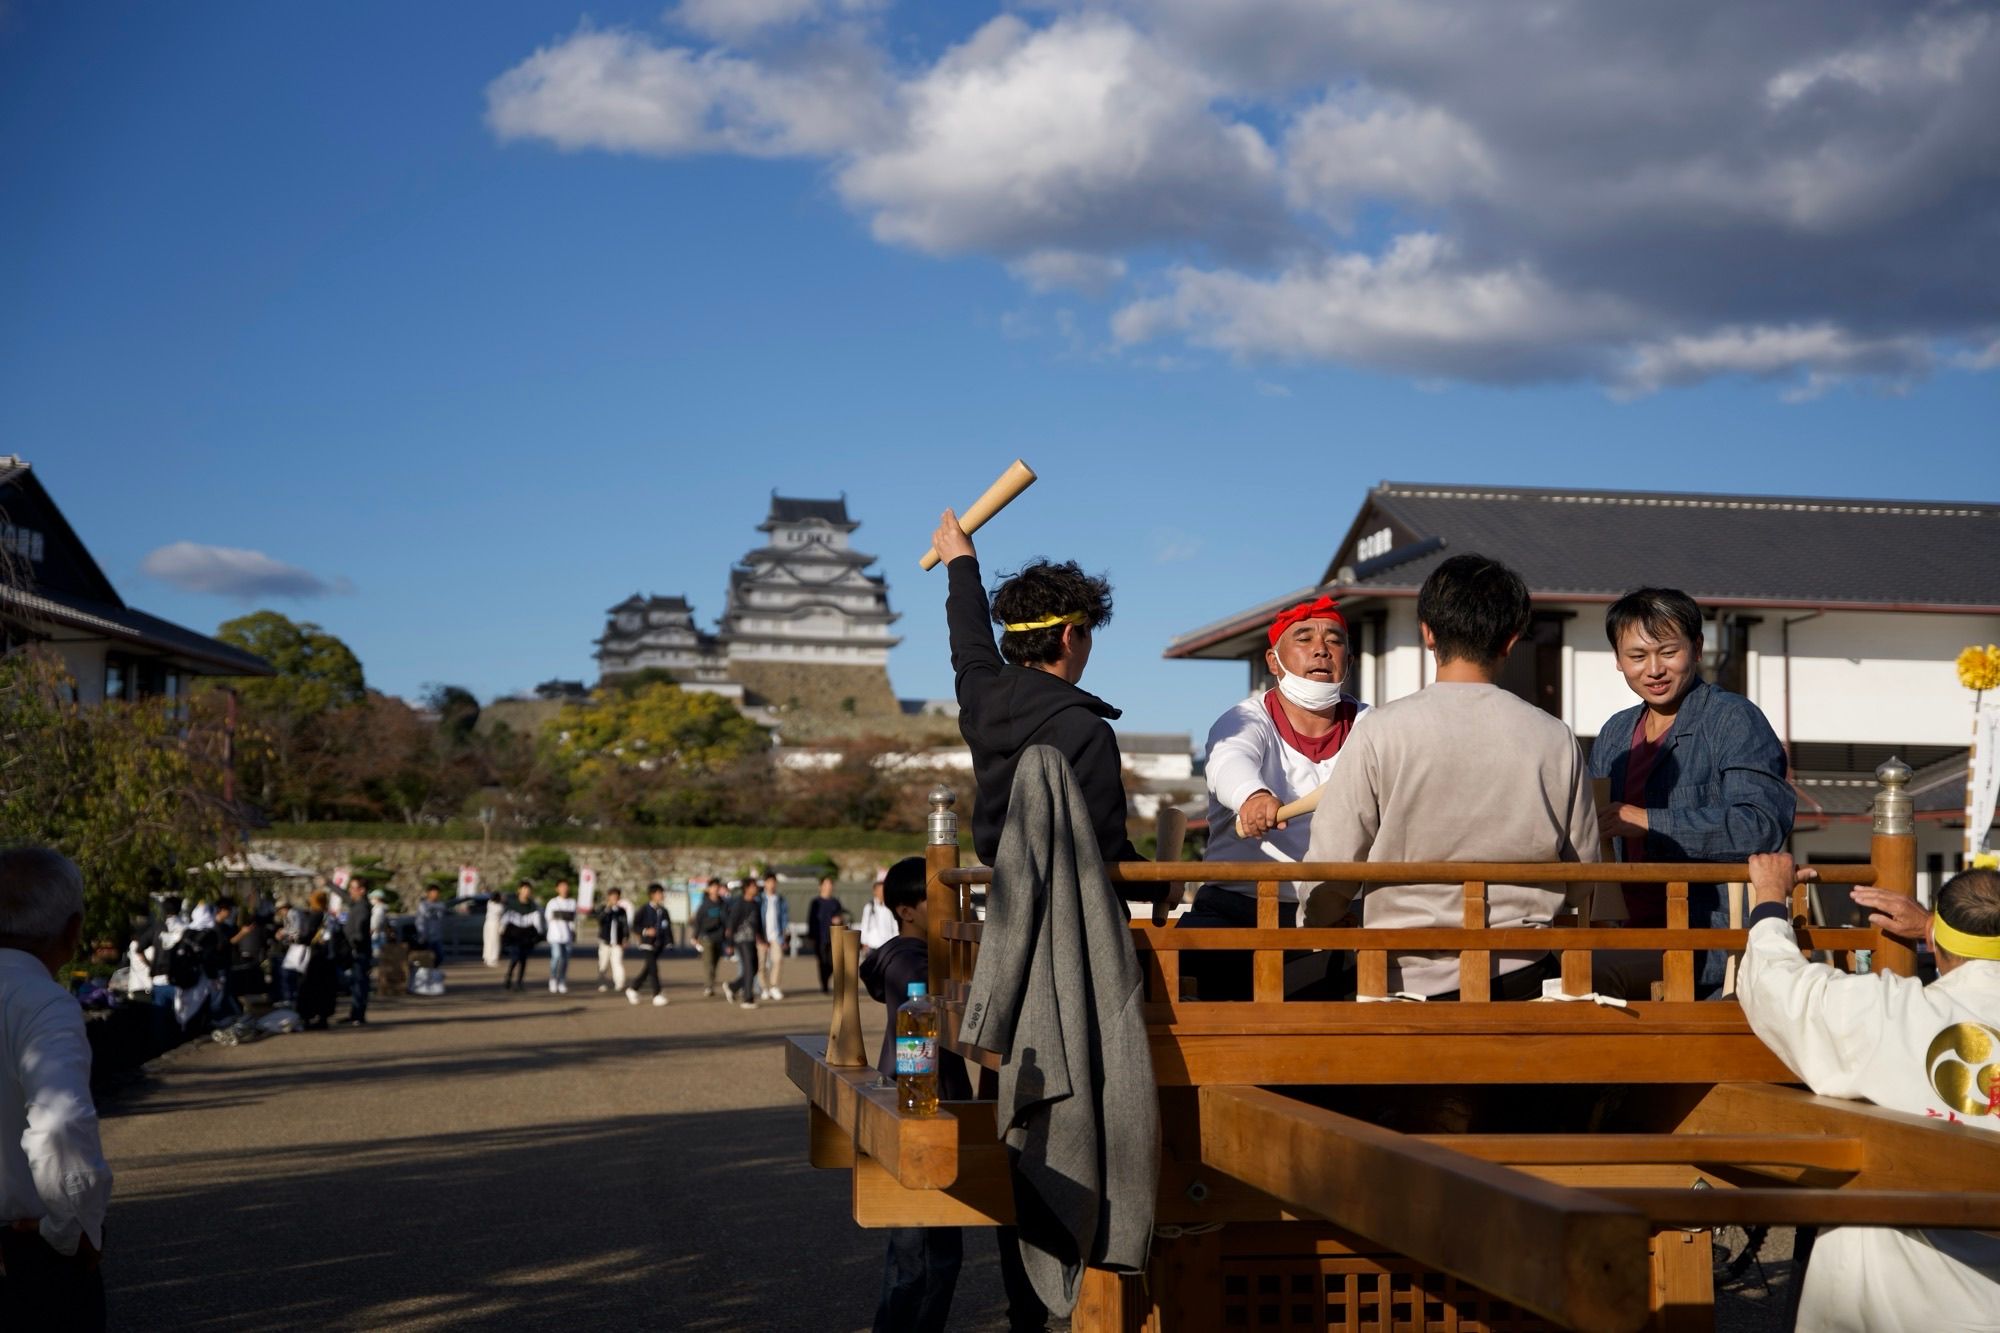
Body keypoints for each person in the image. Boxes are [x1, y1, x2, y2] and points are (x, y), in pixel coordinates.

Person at [1301, 554, 1599, 1000]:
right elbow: (1583, 874)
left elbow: (1332, 865)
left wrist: (1324, 917)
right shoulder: (1554, 737)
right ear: (1511, 640)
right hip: (1521, 971)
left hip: (1396, 973)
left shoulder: (1381, 731)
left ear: (1427, 633)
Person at [1739, 854, 2000, 1331]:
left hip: (1898, 1296)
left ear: (1934, 942)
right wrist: (1931, 927)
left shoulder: (1890, 1012)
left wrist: (1771, 901)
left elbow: (1780, 987)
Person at [1588, 587, 1793, 997]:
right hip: (1624, 930)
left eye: (1667, 652)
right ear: (1617, 660)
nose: (1654, 669)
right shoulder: (1614, 732)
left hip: (1710, 944)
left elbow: (1760, 825)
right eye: (1637, 656)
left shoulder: (1734, 719)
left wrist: (1648, 821)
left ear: (1697, 648)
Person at [1179, 595, 1367, 999]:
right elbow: (1230, 759)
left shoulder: (1374, 725)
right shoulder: (1245, 718)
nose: (1321, 649)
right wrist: (1253, 796)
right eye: (1304, 638)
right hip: (1236, 910)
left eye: (1334, 640)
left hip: (1342, 916)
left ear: (1348, 662)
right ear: (1272, 661)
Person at [931, 510, 1140, 869]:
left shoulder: (982, 698)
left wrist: (961, 563)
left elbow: (969, 642)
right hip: (1073, 918)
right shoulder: (1087, 732)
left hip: (1003, 909)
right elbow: (1105, 851)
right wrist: (1164, 882)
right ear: (1068, 636)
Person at [0, 848, 111, 1332]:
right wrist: (72, 1230)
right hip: (23, 1252)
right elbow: (59, 1122)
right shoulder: (42, 1002)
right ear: (73, 930)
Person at [860, 856, 971, 1332]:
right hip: (921, 1108)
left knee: (920, 1256)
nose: (950, 908)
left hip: (921, 1102)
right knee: (926, 1261)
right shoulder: (909, 957)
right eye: (937, 899)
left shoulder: (917, 952)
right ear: (907, 910)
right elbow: (922, 998)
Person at [296, 889, 341, 1030]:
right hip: (328, 957)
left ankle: (307, 1017)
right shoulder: (330, 916)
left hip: (315, 957)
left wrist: (297, 939)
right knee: (326, 989)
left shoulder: (315, 915)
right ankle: (323, 1017)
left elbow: (307, 935)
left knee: (310, 987)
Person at [625, 884, 671, 1007]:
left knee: (648, 969)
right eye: (659, 893)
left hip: (658, 945)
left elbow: (667, 928)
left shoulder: (663, 911)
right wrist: (646, 931)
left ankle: (633, 988)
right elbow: (635, 926)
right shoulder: (644, 909)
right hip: (646, 944)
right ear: (652, 895)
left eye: (662, 893)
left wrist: (669, 942)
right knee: (654, 969)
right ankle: (657, 994)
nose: (661, 895)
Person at [807, 875, 849, 994]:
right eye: (826, 884)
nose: (829, 887)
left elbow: (841, 917)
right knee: (822, 962)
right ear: (820, 886)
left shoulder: (835, 902)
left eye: (831, 884)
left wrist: (839, 920)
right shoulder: (815, 902)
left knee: (834, 963)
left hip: (834, 937)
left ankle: (828, 981)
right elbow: (811, 920)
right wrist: (811, 936)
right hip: (820, 937)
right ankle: (824, 985)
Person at [725, 880, 761, 1009]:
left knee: (755, 968)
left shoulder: (756, 904)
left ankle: (733, 986)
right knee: (749, 968)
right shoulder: (739, 904)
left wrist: (762, 938)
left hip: (752, 940)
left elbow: (759, 923)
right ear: (746, 888)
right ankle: (747, 998)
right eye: (753, 886)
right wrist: (729, 944)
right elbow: (731, 925)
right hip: (741, 940)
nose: (756, 888)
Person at [500, 883, 542, 992]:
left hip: (527, 934)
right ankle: (509, 975)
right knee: (515, 955)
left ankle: (519, 981)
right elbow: (504, 920)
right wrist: (501, 932)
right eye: (524, 889)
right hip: (514, 934)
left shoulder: (532, 906)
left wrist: (539, 933)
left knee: (523, 958)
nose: (526, 892)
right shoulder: (512, 905)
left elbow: (537, 921)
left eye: (528, 890)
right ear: (519, 890)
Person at [341, 884, 373, 1025]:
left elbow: (360, 928)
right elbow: (345, 896)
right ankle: (355, 1013)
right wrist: (330, 884)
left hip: (359, 951)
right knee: (356, 984)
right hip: (356, 950)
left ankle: (358, 1015)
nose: (350, 891)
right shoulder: (356, 904)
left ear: (362, 889)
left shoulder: (362, 907)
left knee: (360, 983)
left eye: (353, 888)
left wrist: (354, 941)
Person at [691, 880, 728, 997]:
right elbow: (698, 922)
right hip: (707, 938)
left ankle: (710, 983)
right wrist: (695, 936)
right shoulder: (704, 905)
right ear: (709, 889)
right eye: (713, 887)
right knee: (708, 963)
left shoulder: (723, 904)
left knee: (715, 963)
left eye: (717, 887)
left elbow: (727, 919)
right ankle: (708, 986)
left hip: (719, 937)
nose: (716, 889)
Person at [759, 871, 789, 1002]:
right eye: (769, 882)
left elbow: (784, 918)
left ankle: (774, 985)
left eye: (773, 882)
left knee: (778, 960)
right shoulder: (759, 899)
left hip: (776, 935)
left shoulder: (780, 900)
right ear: (765, 883)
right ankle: (764, 988)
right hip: (762, 935)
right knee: (761, 964)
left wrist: (783, 934)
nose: (771, 885)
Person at [544, 881, 578, 995]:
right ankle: (553, 978)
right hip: (555, 936)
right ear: (557, 889)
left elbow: (573, 920)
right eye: (561, 887)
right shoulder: (552, 903)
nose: (564, 889)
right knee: (557, 956)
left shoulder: (572, 902)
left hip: (567, 936)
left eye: (566, 887)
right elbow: (548, 918)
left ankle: (562, 980)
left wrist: (573, 932)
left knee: (565, 960)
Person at [594, 887, 630, 993]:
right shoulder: (603, 909)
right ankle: (602, 982)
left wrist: (625, 938)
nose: (614, 898)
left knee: (617, 963)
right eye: (612, 896)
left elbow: (625, 926)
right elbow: (599, 919)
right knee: (603, 964)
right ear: (608, 897)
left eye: (616, 896)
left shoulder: (621, 911)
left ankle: (620, 983)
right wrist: (607, 909)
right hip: (605, 942)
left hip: (617, 942)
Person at [858, 874, 898, 958]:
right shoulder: (869, 907)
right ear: (874, 891)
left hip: (888, 944)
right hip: (873, 945)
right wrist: (864, 942)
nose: (881, 893)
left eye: (883, 890)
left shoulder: (890, 906)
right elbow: (864, 925)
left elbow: (894, 924)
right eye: (879, 890)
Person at [415, 885, 447, 971]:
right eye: (433, 893)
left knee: (439, 956)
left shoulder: (441, 905)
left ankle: (433, 972)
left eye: (437, 893)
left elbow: (442, 919)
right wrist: (422, 934)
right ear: (428, 894)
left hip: (437, 936)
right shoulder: (423, 905)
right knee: (426, 958)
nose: (435, 895)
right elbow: (420, 920)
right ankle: (427, 974)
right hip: (426, 936)